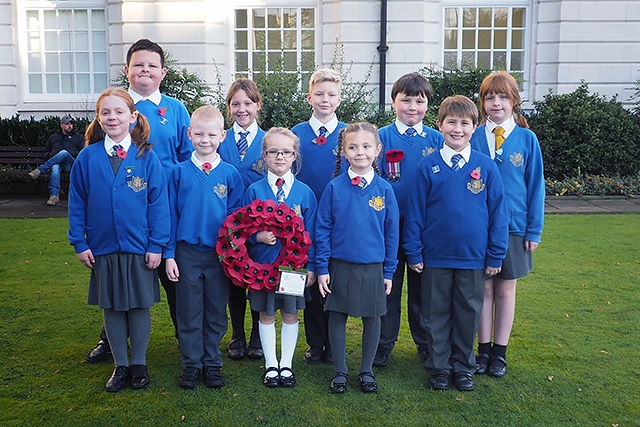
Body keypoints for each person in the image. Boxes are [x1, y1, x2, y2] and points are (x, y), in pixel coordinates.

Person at [85, 38, 192, 364]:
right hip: (124, 215)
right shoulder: (114, 107)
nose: (145, 70)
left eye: (152, 65)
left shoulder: (175, 110)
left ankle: (184, 336)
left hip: (167, 208)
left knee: (174, 276)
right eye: (138, 65)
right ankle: (111, 340)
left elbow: (187, 158)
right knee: (120, 275)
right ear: (127, 70)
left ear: (162, 72)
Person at [403, 95, 509, 392]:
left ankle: (463, 367)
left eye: (465, 123)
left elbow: (498, 214)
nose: (457, 129)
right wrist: (413, 251)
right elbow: (415, 213)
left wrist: (495, 254)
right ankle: (438, 367)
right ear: (439, 125)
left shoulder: (486, 168)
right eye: (451, 122)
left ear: (475, 127)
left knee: (467, 313)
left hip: (473, 258)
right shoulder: (428, 166)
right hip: (434, 257)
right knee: (434, 314)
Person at [68, 88, 170, 392]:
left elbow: (159, 204)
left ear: (132, 117)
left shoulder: (147, 157)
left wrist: (156, 244)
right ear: (98, 118)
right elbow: (77, 202)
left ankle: (139, 363)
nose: (112, 118)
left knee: (139, 306)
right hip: (103, 247)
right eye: (105, 113)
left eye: (119, 112)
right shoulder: (87, 157)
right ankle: (121, 365)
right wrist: (79, 241)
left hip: (139, 247)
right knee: (111, 307)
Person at [470, 71, 545, 378]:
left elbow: (535, 186)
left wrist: (533, 229)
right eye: (490, 97)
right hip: (479, 227)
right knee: (483, 290)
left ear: (515, 101)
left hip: (514, 227)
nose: (496, 103)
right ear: (482, 102)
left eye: (502, 97)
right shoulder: (473, 135)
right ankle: (483, 350)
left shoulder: (527, 139)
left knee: (505, 291)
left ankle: (499, 353)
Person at [315, 122, 400, 394]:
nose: (359, 152)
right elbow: (323, 228)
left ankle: (366, 370)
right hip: (339, 265)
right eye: (352, 147)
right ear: (343, 151)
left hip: (373, 267)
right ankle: (340, 370)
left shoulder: (385, 190)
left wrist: (389, 271)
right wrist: (322, 266)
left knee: (373, 318)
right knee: (337, 316)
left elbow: (392, 233)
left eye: (366, 146)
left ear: (377, 150)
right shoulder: (333, 188)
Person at [164, 105, 244, 389]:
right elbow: (169, 216)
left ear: (222, 135)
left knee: (214, 311)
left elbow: (237, 220)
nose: (205, 140)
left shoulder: (231, 175)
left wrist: (232, 254)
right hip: (186, 253)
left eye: (211, 134)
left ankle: (212, 363)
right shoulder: (177, 173)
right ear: (189, 134)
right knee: (188, 311)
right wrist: (169, 254)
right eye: (198, 134)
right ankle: (190, 364)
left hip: (218, 256)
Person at [374, 72, 443, 367]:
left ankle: (425, 343)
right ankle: (382, 345)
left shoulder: (438, 139)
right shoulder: (380, 138)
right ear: (393, 103)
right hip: (388, 228)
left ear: (428, 104)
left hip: (425, 230)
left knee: (423, 292)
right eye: (406, 100)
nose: (412, 107)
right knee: (387, 288)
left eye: (419, 100)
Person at [244, 127, 318, 387]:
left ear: (295, 155)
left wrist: (310, 267)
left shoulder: (305, 193)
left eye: (286, 152)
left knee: (289, 314)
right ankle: (270, 364)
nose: (280, 157)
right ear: (264, 155)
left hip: (293, 269)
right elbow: (242, 230)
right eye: (273, 152)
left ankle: (286, 364)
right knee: (266, 313)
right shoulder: (254, 190)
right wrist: (257, 238)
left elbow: (312, 233)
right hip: (263, 266)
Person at [292, 68, 347, 365]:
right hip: (304, 218)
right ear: (309, 97)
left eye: (331, 95)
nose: (325, 100)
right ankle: (315, 342)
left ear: (339, 99)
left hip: (340, 218)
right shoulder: (297, 134)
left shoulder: (348, 134)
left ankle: (334, 341)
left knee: (333, 279)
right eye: (319, 94)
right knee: (310, 279)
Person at [218, 78, 266, 360]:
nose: (242, 109)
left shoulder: (269, 140)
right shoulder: (219, 138)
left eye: (247, 103)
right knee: (235, 281)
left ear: (257, 105)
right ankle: (237, 334)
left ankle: (258, 336)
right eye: (235, 103)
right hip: (228, 226)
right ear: (228, 108)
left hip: (262, 227)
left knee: (260, 279)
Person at [28, 115, 85, 206]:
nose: (69, 126)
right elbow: (45, 152)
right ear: (61, 125)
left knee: (64, 153)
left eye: (71, 123)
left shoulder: (78, 137)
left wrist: (74, 152)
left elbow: (83, 152)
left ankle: (40, 170)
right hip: (58, 164)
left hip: (71, 164)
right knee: (54, 167)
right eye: (67, 124)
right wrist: (51, 155)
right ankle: (54, 196)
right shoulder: (54, 137)